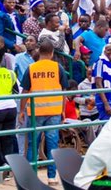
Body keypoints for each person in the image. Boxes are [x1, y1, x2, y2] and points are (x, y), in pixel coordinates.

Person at [20, 39, 68, 186]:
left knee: (32, 144)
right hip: (53, 111)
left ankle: (31, 177)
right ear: (52, 53)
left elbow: (25, 91)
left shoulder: (31, 68)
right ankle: (52, 177)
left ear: (38, 51)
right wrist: (63, 111)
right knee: (52, 144)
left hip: (35, 112)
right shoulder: (58, 67)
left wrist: (21, 110)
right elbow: (64, 91)